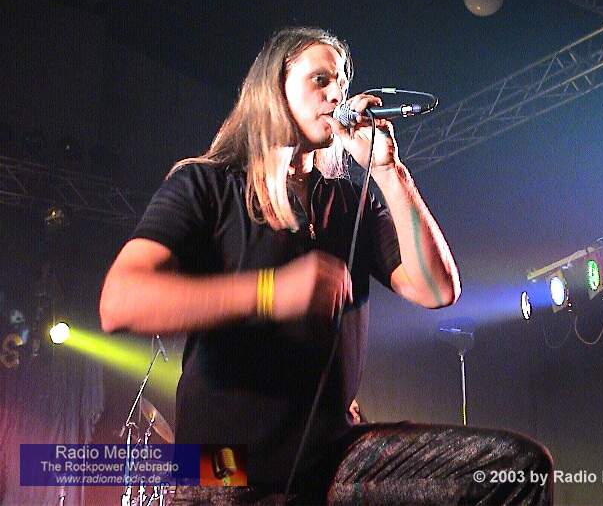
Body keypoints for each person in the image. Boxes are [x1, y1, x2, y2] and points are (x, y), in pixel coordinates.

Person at [100, 27, 552, 505]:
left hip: (331, 457)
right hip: (223, 466)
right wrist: (271, 292)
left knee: (515, 467)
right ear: (274, 88)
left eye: (341, 82)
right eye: (320, 80)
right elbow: (120, 302)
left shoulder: (349, 202)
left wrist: (389, 172)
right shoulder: (206, 186)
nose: (337, 94)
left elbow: (437, 289)